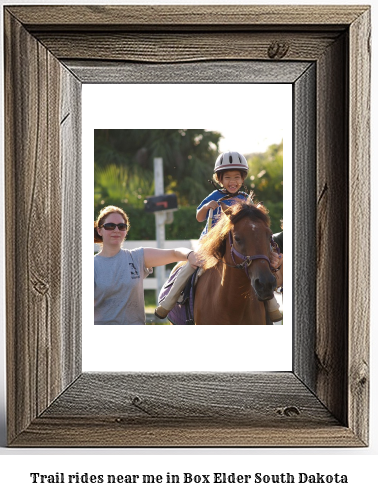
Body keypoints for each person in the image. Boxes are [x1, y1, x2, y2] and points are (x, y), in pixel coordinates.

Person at [155, 151, 282, 322]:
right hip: (210, 242)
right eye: (227, 177)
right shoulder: (215, 196)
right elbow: (199, 217)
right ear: (219, 179)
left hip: (236, 243)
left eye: (237, 177)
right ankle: (168, 302)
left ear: (243, 179)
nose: (233, 181)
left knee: (258, 267)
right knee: (191, 265)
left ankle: (271, 306)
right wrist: (207, 207)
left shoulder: (245, 198)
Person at [94, 205, 199, 325]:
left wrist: (190, 254)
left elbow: (174, 253)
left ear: (126, 230)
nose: (116, 230)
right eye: (110, 226)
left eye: (121, 226)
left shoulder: (137, 257)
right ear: (99, 230)